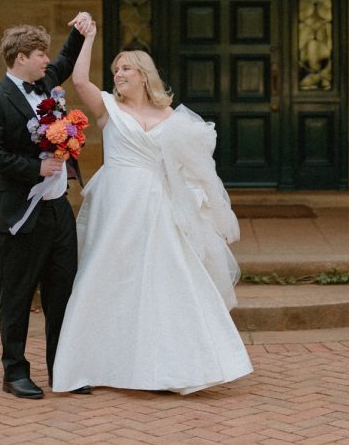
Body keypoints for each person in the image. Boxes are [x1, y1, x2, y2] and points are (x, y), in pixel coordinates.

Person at [51, 23, 253, 396]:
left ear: (144, 75)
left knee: (167, 279)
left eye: (126, 68)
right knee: (106, 276)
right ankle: (92, 364)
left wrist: (196, 197)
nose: (118, 74)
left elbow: (190, 165)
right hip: (118, 204)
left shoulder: (171, 117)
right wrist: (88, 37)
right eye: (115, 69)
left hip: (158, 205)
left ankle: (176, 368)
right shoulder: (108, 108)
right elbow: (79, 80)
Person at [0, 14, 95, 400]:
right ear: (20, 58)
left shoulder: (45, 83)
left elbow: (65, 59)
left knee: (62, 291)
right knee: (17, 294)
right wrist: (35, 168)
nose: (47, 60)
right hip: (20, 214)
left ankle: (62, 369)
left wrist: (81, 29)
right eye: (40, 54)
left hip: (58, 210)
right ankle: (14, 372)